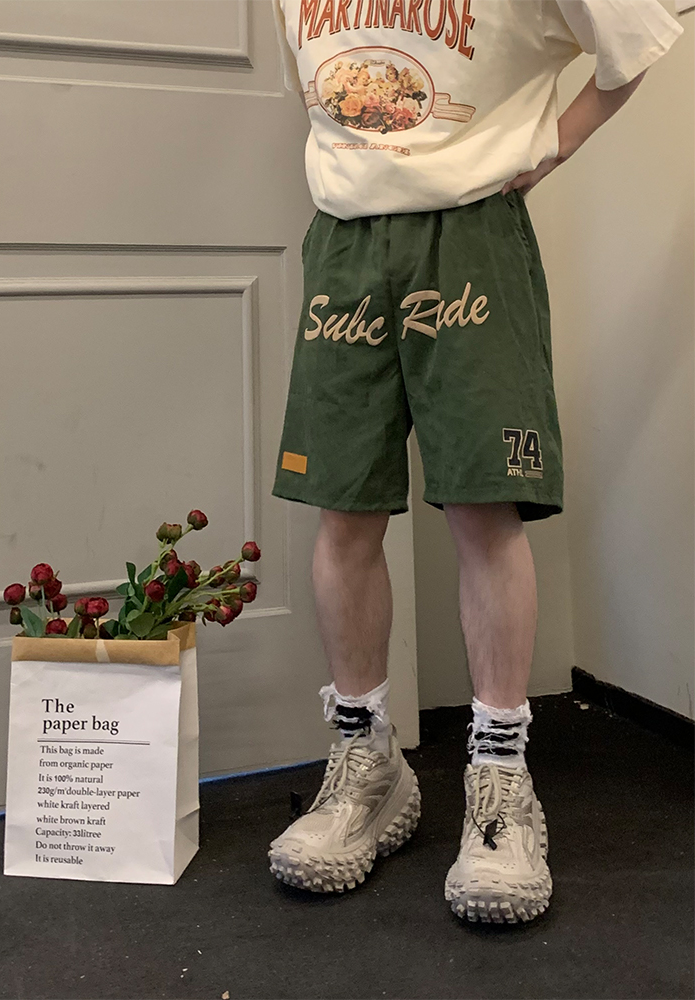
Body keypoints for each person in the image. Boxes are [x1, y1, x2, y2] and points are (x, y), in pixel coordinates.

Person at [268, 0, 683, 922]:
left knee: (483, 506)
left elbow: (639, 34)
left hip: (470, 232)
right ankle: (366, 764)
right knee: (343, 507)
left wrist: (553, 145)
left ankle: (500, 777)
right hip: (343, 238)